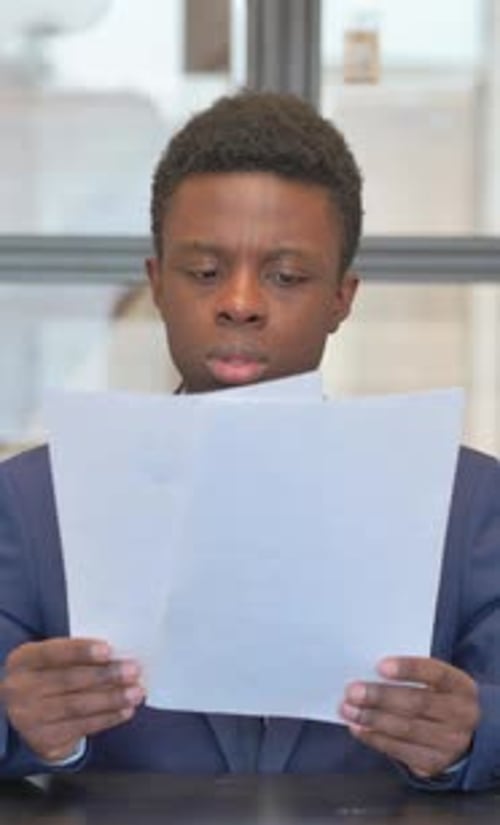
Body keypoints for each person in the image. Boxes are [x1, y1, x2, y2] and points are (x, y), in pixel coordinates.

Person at [0, 91, 498, 788]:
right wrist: (22, 727)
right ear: (158, 284)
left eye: (287, 276)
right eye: (204, 272)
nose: (240, 302)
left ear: (341, 299)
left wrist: (471, 737)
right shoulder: (30, 499)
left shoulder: (469, 500)